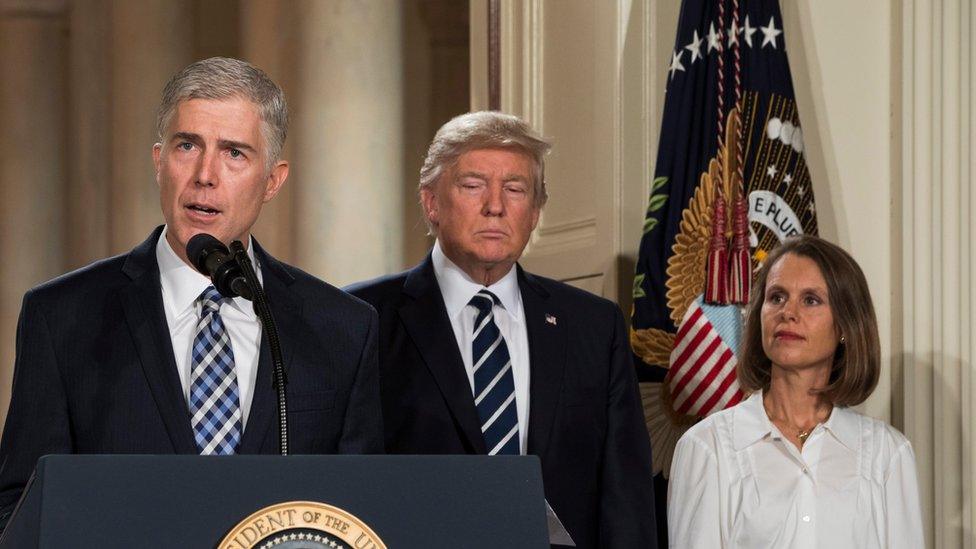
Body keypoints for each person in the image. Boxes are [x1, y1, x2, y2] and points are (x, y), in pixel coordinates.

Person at [0, 57, 383, 527]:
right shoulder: (62, 317)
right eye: (188, 146)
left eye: (235, 153)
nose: (206, 174)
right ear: (159, 161)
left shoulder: (341, 328)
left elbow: (362, 512)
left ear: (273, 180)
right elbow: (20, 509)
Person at [347, 111, 657, 548]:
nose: (495, 206)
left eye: (515, 189)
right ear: (431, 202)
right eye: (473, 186)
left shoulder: (593, 325)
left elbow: (626, 495)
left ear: (535, 212)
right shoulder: (361, 318)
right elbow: (343, 483)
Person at [668, 235, 924, 548]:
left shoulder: (888, 455)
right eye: (776, 297)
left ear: (845, 326)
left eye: (810, 300)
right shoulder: (707, 448)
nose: (788, 312)